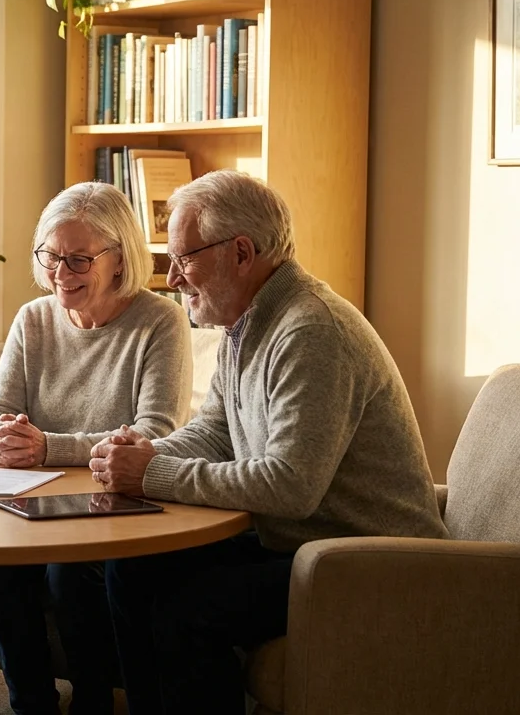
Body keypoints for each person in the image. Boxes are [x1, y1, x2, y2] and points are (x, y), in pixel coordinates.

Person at [90, 170, 448, 715]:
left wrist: (150, 475)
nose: (174, 279)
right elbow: (215, 429)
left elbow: (291, 485)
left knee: (188, 611)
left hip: (368, 561)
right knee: (131, 567)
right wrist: (141, 455)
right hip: (303, 544)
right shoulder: (246, 321)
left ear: (240, 252)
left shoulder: (311, 331)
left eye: (185, 259)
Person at [0, 181, 192, 715]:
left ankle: (93, 700)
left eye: (78, 259)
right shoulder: (34, 318)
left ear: (119, 260)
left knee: (68, 572)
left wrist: (48, 447)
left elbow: (155, 433)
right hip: (33, 496)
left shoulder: (159, 320)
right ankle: (31, 703)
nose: (60, 273)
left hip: (114, 504)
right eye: (50, 256)